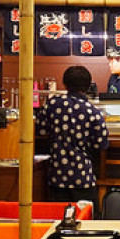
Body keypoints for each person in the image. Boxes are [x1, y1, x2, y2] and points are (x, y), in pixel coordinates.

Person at [37, 65, 109, 204]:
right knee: (85, 217)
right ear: (88, 86)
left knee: (57, 217)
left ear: (65, 84)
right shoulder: (92, 111)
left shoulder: (53, 104)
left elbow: (40, 130)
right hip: (83, 178)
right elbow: (101, 144)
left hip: (57, 177)